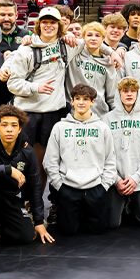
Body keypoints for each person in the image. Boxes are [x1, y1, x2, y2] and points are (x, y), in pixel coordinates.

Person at [4, 7, 119, 191]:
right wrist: (35, 87)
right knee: (25, 162)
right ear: (38, 25)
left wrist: (112, 52)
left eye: (53, 23)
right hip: (28, 113)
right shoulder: (26, 49)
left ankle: (40, 207)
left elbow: (92, 41)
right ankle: (21, 205)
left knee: (48, 163)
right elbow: (13, 84)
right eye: (45, 22)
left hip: (53, 113)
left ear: (59, 26)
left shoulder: (67, 45)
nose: (48, 26)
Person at [0, 105, 54, 256]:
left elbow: (35, 186)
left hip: (11, 198)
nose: (9, 130)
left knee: (25, 236)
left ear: (20, 129)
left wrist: (39, 221)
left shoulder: (27, 150)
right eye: (4, 125)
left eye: (14, 126)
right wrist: (6, 169)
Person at [43, 84, 116, 235]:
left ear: (93, 102)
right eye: (77, 99)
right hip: (68, 188)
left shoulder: (102, 128)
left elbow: (110, 160)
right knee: (68, 232)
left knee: (98, 231)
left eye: (85, 99)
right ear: (72, 101)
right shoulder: (59, 127)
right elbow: (50, 161)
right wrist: (60, 187)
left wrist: (103, 187)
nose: (81, 102)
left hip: (95, 187)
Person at [102, 78, 140, 227]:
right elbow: (102, 154)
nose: (129, 94)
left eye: (133, 91)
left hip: (139, 180)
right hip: (115, 181)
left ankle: (130, 206)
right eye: (125, 91)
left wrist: (136, 178)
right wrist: (116, 180)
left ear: (138, 93)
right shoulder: (106, 119)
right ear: (118, 93)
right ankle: (122, 206)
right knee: (111, 224)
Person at [66, 22, 117, 117]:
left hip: (99, 114)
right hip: (73, 113)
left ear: (103, 38)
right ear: (83, 37)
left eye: (97, 35)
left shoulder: (109, 63)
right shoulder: (73, 55)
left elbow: (112, 96)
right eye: (89, 35)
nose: (93, 38)